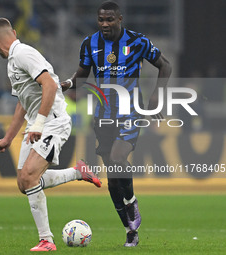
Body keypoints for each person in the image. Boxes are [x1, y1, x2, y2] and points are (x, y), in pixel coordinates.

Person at [61, 1, 172, 247]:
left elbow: (165, 65)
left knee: (119, 157)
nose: (104, 24)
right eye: (101, 20)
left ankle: (131, 201)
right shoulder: (90, 44)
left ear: (119, 19)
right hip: (103, 116)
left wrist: (156, 97)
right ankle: (130, 231)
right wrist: (67, 85)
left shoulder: (137, 41)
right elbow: (82, 74)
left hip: (131, 112)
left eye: (109, 20)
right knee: (112, 181)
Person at [0, 18, 101, 252]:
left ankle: (47, 240)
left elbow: (48, 84)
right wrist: (8, 138)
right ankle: (78, 172)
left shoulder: (22, 53)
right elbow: (23, 101)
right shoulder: (13, 62)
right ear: (14, 32)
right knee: (24, 183)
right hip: (37, 124)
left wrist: (39, 123)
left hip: (53, 122)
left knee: (30, 177)